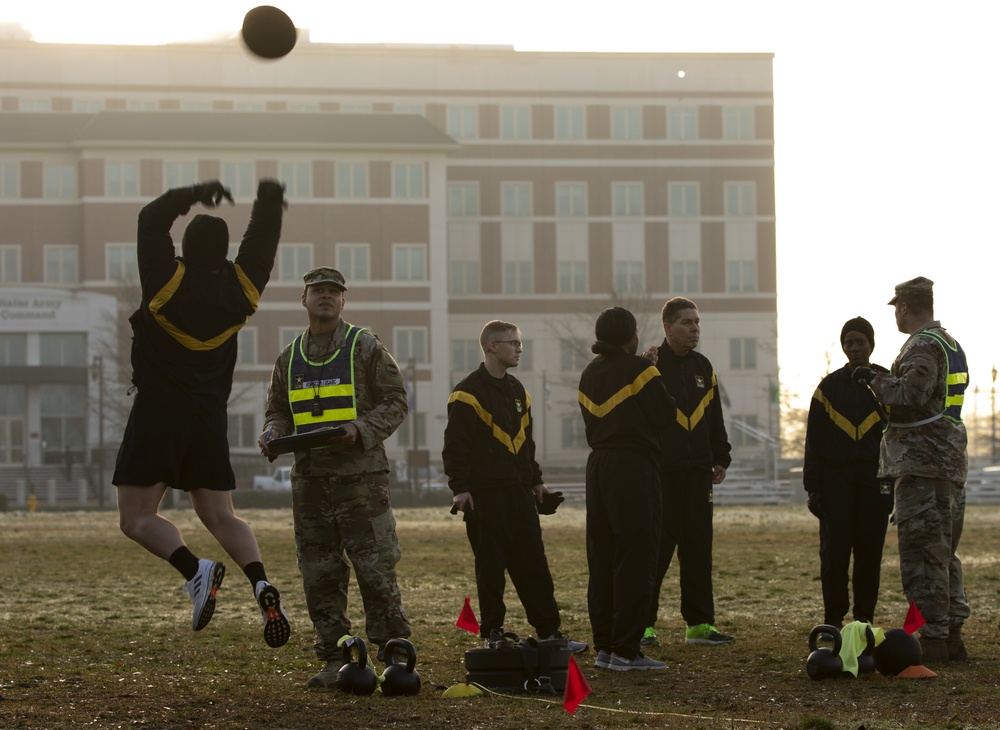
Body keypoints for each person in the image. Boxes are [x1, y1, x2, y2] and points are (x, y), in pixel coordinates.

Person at [113, 179, 290, 649]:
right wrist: (270, 201)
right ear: (225, 253)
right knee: (220, 515)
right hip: (210, 417)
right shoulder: (244, 288)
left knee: (135, 517)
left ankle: (197, 570)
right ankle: (260, 583)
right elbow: (262, 242)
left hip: (159, 414)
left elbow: (150, 220)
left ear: (184, 249)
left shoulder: (165, 281)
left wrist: (192, 193)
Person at [259, 267, 411, 688]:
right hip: (310, 481)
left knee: (376, 566)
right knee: (318, 572)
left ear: (343, 301)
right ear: (303, 300)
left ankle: (396, 654)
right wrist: (273, 433)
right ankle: (335, 657)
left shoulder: (364, 347)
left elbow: (397, 400)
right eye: (317, 291)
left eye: (333, 292)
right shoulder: (289, 358)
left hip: (361, 480)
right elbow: (278, 409)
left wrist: (360, 429)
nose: (325, 297)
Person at [442, 320, 588, 654]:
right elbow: (455, 447)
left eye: (520, 343)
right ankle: (492, 632)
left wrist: (536, 483)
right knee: (490, 569)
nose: (520, 349)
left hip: (519, 495)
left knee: (534, 565)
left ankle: (550, 633)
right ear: (492, 346)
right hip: (484, 497)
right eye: (514, 343)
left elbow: (526, 446)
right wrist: (460, 487)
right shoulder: (466, 393)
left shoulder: (519, 391)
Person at [853, 277, 970, 663]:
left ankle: (931, 636)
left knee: (922, 554)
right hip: (946, 462)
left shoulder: (922, 345)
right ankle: (950, 632)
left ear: (903, 307)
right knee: (943, 552)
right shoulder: (950, 344)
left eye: (897, 309)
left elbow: (910, 395)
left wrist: (874, 379)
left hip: (922, 463)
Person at [578, 307, 676, 670]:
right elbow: (665, 416)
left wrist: (644, 368)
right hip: (635, 466)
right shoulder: (641, 370)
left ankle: (605, 646)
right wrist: (651, 370)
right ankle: (627, 650)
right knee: (636, 554)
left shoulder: (590, 372)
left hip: (599, 464)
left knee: (601, 555)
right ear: (630, 337)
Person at [642, 297, 734, 646]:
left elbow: (714, 417)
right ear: (667, 327)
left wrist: (721, 456)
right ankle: (643, 625)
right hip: (662, 473)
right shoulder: (649, 365)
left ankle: (699, 625)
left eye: (697, 322)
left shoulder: (703, 366)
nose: (695, 328)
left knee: (698, 548)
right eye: (686, 322)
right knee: (657, 550)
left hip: (697, 474)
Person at [802, 317, 892, 629]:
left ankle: (864, 619)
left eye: (860, 342)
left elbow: (898, 436)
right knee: (834, 556)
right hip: (835, 484)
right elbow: (813, 441)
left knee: (869, 555)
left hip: (875, 483)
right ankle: (833, 621)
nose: (854, 348)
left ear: (871, 345)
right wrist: (813, 488)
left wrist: (896, 483)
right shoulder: (827, 389)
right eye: (848, 343)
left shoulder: (886, 383)